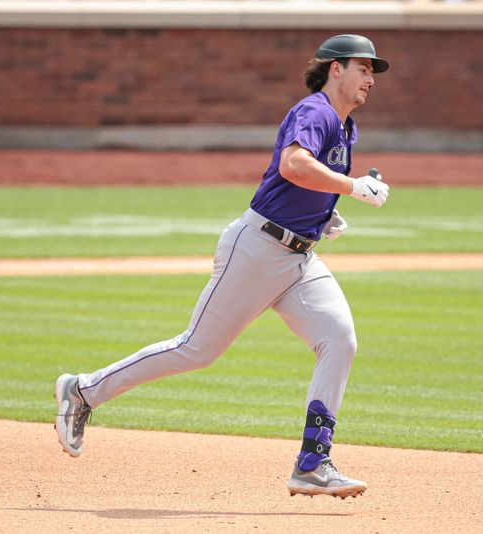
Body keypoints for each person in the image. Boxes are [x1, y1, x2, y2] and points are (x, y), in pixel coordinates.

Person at [55, 34, 390, 499]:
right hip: (256, 251)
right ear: (336, 69)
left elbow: (294, 177)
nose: (370, 77)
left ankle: (313, 461)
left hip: (298, 258)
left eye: (373, 71)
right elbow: (294, 164)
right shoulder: (315, 111)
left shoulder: (344, 125)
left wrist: (323, 211)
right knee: (196, 349)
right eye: (363, 67)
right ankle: (83, 391)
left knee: (339, 339)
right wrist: (352, 187)